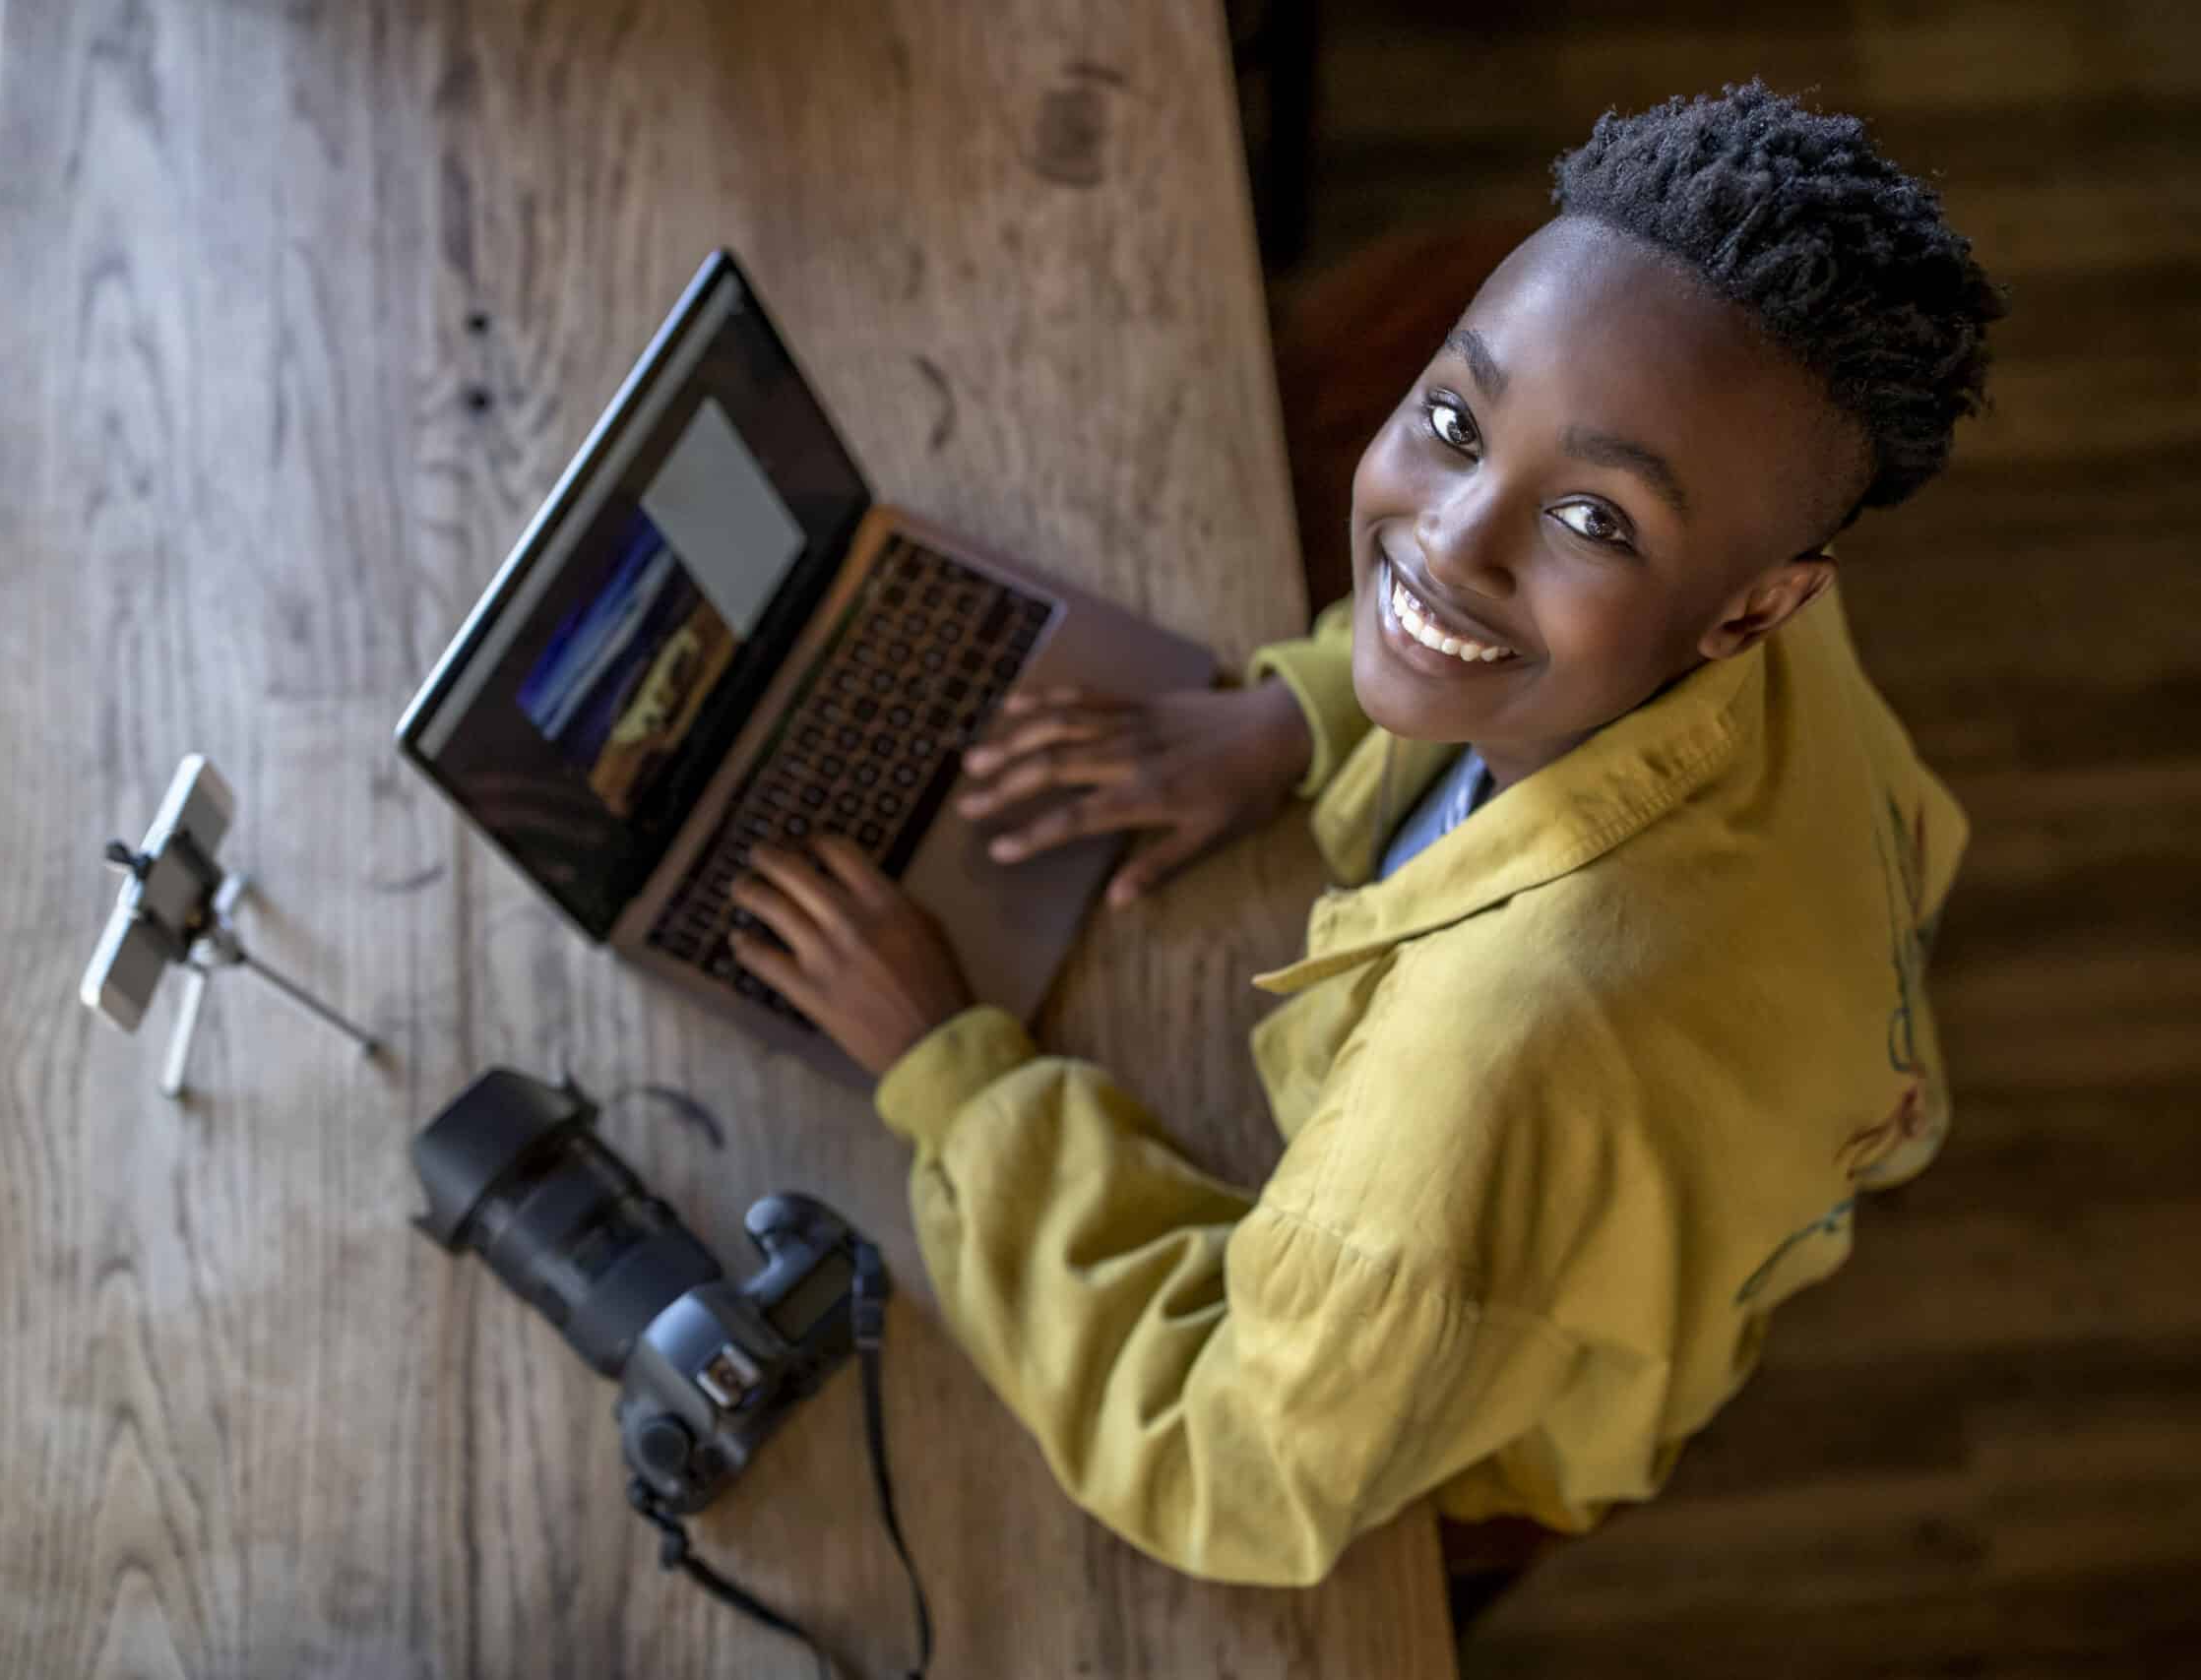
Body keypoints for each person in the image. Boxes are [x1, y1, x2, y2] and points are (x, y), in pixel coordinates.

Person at [722, 84, 2003, 1604]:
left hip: (1469, 1416)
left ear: (1755, 606)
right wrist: (1300, 717)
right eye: (1455, 419)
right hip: (1765, 1097)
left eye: (1594, 522)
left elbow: (1231, 1470)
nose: (1449, 540)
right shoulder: (1751, 588)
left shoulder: (1491, 1060)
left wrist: (949, 1072)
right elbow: (1487, 592)